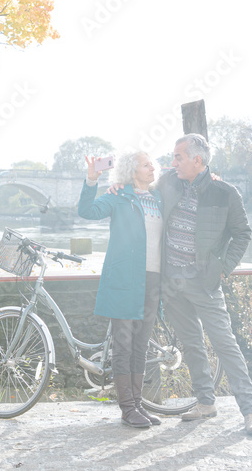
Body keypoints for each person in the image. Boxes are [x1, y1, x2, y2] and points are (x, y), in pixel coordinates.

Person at [159, 133, 252, 436]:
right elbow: (140, 186)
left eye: (178, 157)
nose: (173, 162)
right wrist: (113, 184)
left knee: (225, 344)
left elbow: (243, 233)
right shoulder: (168, 183)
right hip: (172, 282)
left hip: (204, 282)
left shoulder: (225, 192)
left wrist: (222, 269)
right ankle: (206, 403)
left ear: (197, 160)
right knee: (192, 344)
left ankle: (250, 412)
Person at [78, 151, 163, 429]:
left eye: (152, 164)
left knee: (141, 344)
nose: (152, 168)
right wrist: (92, 180)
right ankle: (127, 408)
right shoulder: (118, 196)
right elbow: (87, 211)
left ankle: (138, 404)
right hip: (124, 278)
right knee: (123, 344)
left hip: (152, 280)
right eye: (146, 165)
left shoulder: (159, 198)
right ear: (131, 170)